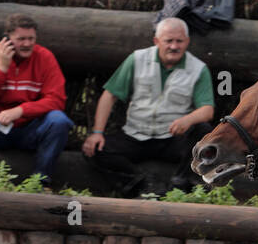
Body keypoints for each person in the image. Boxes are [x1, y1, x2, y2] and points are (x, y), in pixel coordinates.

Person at [83, 17, 216, 197]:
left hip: (171, 138)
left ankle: (180, 183)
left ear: (187, 41)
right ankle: (141, 183)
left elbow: (207, 110)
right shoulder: (137, 59)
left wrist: (188, 119)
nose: (174, 46)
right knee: (94, 150)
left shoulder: (198, 68)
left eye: (179, 41)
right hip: (135, 135)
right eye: (169, 41)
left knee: (204, 132)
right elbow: (109, 95)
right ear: (156, 41)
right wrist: (97, 132)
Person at [0, 13, 73, 190]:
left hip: (30, 129)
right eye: (21, 39)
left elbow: (57, 100)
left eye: (31, 38)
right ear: (7, 39)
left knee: (59, 120)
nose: (27, 44)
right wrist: (1, 68)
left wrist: (21, 110)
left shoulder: (45, 57)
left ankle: (40, 182)